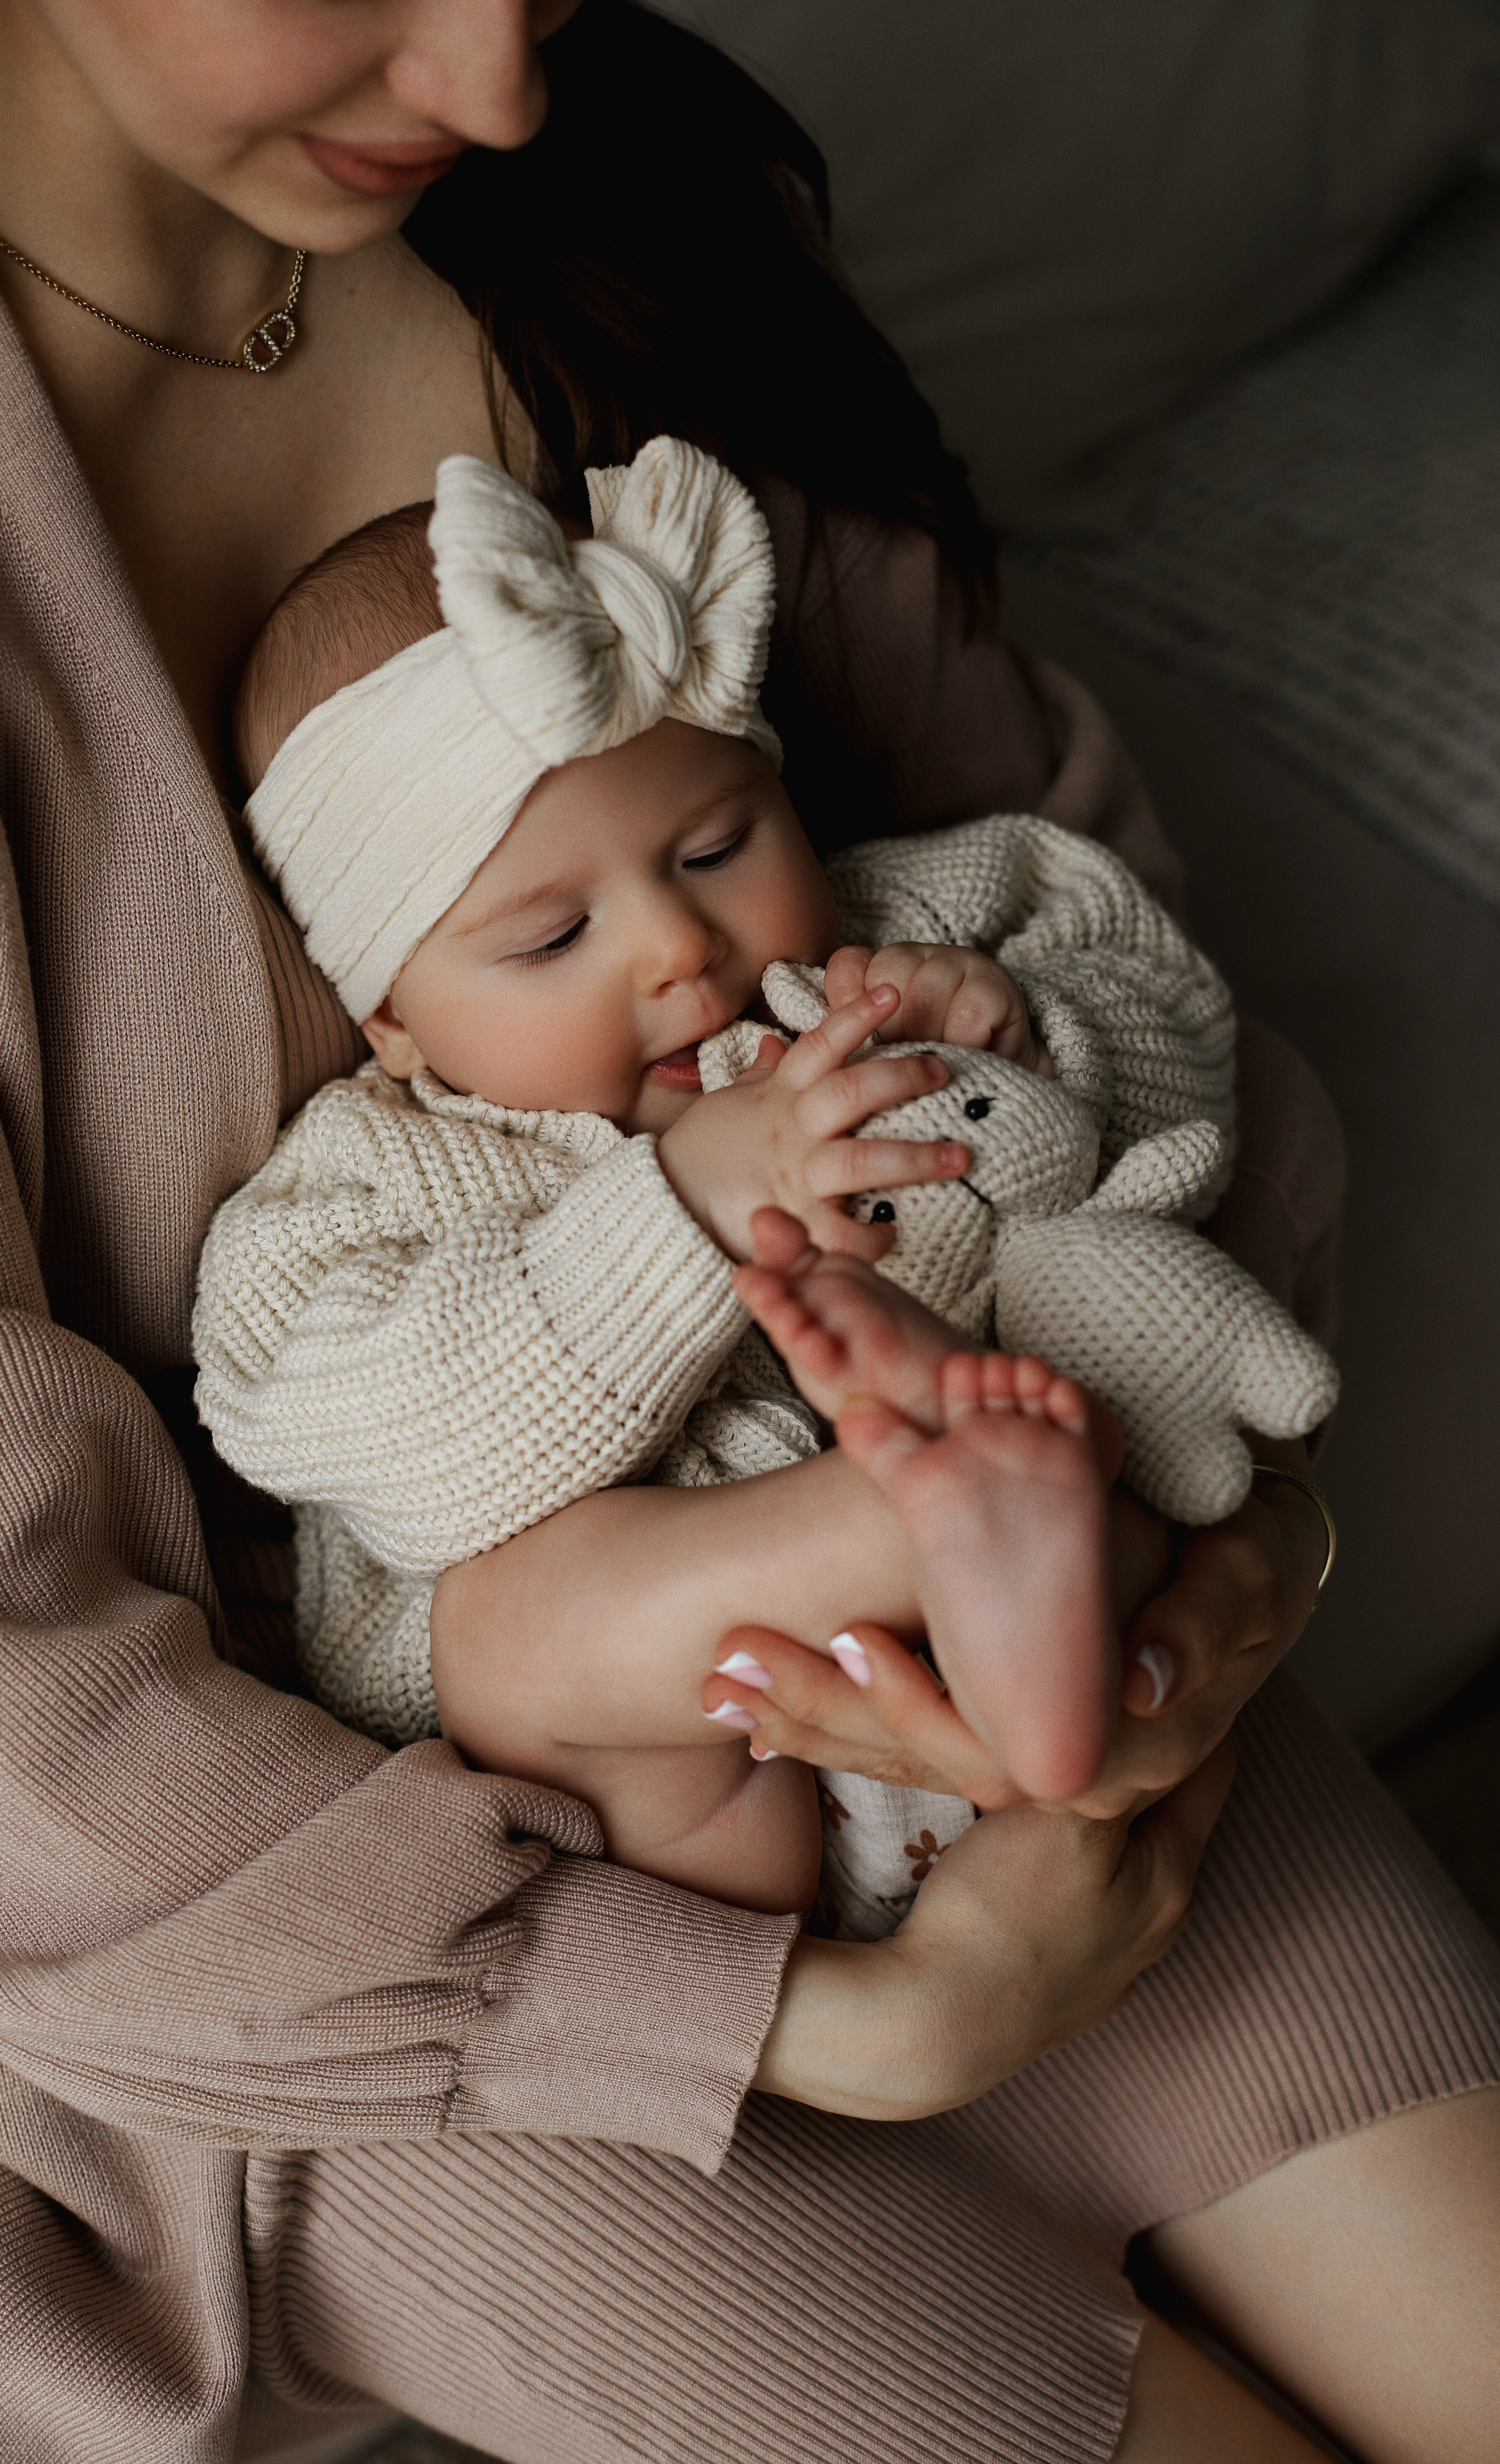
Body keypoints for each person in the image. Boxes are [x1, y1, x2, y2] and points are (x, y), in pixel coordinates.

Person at [0, 3, 1494, 2460]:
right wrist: (815, 2019)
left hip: (952, 1642)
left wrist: (1217, 1566)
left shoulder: (613, 228)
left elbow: (1062, 902)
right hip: (285, 1948)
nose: (505, 83)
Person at [192, 439, 1285, 1930]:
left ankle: (990, 1546)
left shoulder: (896, 933)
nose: (677, 948)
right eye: (547, 938)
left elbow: (1165, 996)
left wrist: (1024, 1025)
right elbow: (346, 1418)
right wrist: (677, 1212)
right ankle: (929, 1519)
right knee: (507, 1633)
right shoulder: (371, 1175)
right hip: (690, 1780)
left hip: (1054, 1637)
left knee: (1083, 1408)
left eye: (715, 844)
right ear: (388, 1012)